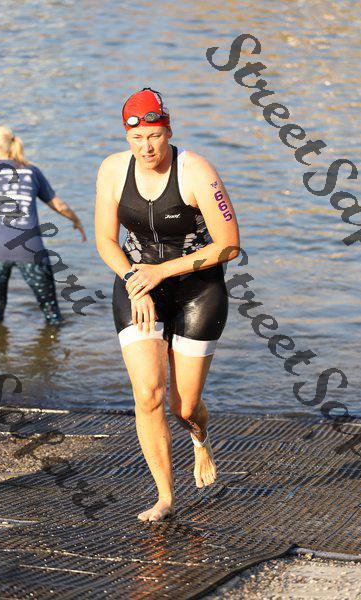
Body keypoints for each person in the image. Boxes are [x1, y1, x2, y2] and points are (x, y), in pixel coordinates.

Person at [95, 87, 240, 522]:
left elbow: (229, 245)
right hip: (138, 285)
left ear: (169, 131)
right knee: (148, 394)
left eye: (154, 136)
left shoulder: (197, 171)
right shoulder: (112, 170)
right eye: (137, 138)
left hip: (198, 290)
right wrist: (134, 281)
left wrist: (162, 271)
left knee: (185, 407)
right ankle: (165, 497)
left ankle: (200, 439)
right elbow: (105, 240)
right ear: (127, 137)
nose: (146, 147)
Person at [0, 125, 86, 325]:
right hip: (30, 250)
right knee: (51, 311)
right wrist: (76, 221)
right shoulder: (31, 171)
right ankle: (53, 341)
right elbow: (59, 205)